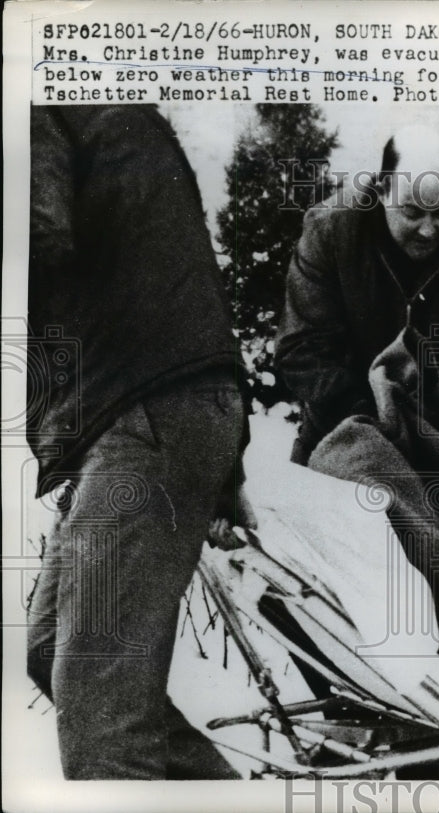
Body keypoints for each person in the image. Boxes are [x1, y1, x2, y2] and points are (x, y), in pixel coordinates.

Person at [26, 105, 254, 779]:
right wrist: (224, 462)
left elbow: (36, 231)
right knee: (55, 653)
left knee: (104, 721)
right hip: (160, 410)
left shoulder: (36, 100)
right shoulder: (113, 113)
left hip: (143, 413)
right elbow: (185, 282)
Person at [276, 124, 439, 466]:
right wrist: (377, 428)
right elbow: (303, 350)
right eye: (411, 211)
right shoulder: (329, 233)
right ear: (382, 191)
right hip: (339, 443)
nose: (428, 230)